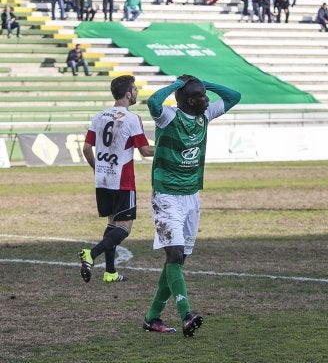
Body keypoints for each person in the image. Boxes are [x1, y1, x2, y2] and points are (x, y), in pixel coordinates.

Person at [141, 75, 240, 336]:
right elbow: (153, 102)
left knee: (178, 259)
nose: (208, 100)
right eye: (202, 96)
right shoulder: (169, 117)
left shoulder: (204, 115)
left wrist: (203, 82)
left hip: (191, 196)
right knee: (173, 256)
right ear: (188, 100)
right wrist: (177, 85)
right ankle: (186, 314)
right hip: (166, 197)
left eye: (207, 95)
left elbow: (234, 96)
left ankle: (152, 318)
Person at [79, 75, 155, 283]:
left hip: (102, 179)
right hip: (122, 180)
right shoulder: (131, 119)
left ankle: (110, 272)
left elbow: (86, 149)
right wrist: (169, 149)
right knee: (124, 228)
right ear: (128, 94)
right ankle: (91, 254)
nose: (137, 92)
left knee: (112, 222)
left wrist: (98, 168)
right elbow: (146, 151)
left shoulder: (99, 116)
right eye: (135, 89)